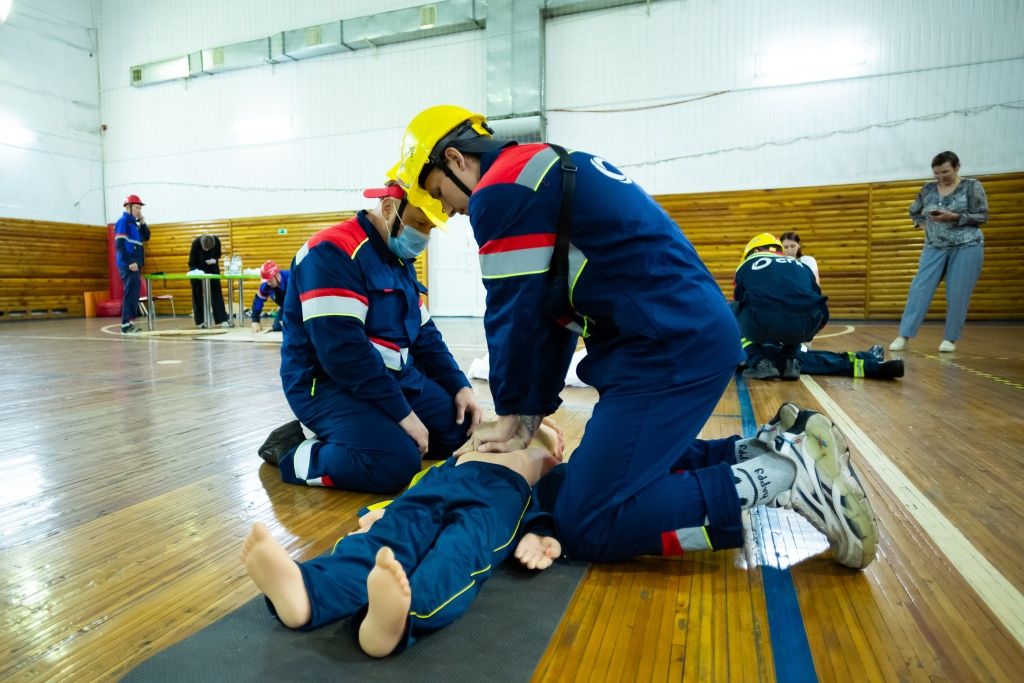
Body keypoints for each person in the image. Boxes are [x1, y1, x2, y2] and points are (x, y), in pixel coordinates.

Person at [392, 106, 876, 569]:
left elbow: (513, 315)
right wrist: (527, 414)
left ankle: (783, 477)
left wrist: (513, 413)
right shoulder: (549, 162)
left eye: (440, 192)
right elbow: (550, 310)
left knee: (587, 523)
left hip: (666, 350)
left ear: (456, 159)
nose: (449, 211)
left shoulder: (500, 191)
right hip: (679, 335)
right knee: (607, 468)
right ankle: (757, 451)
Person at [241, 420, 566, 658]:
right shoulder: (501, 431)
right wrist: (388, 508)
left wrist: (541, 532)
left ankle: (396, 621)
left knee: (458, 554)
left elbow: (543, 504)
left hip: (499, 495)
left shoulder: (546, 469)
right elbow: (419, 482)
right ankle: (306, 592)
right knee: (387, 539)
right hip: (446, 477)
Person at [261, 181, 482, 494]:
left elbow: (425, 334)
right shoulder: (331, 252)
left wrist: (459, 385)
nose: (424, 236)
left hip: (391, 379)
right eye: (420, 224)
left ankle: (366, 429)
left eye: (431, 228)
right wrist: (403, 414)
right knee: (395, 463)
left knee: (458, 430)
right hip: (326, 384)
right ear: (390, 208)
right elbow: (343, 355)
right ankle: (295, 450)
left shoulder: (398, 259)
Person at [890, 151, 988, 353]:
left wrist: (954, 216)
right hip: (935, 246)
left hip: (967, 246)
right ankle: (904, 335)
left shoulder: (972, 186)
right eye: (936, 173)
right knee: (919, 290)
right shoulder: (928, 189)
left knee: (957, 293)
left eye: (945, 171)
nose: (941, 177)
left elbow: (982, 216)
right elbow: (914, 211)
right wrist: (924, 225)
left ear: (957, 167)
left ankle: (950, 339)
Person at [734, 233, 829, 381]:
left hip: (764, 322)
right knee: (797, 307)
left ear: (755, 252)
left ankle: (760, 362)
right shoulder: (802, 265)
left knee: (731, 310)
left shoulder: (747, 264)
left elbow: (739, 300)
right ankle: (791, 361)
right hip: (808, 325)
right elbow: (816, 296)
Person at [750, 343, 904, 380]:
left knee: (816, 356)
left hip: (762, 349)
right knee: (815, 360)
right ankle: (874, 368)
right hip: (760, 355)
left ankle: (866, 358)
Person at [113, 194, 150, 334]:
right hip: (128, 264)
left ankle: (130, 322)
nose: (139, 211)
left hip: (136, 263)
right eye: (136, 208)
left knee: (134, 293)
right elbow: (120, 245)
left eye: (140, 208)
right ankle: (125, 325)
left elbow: (146, 237)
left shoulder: (134, 224)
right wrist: (129, 262)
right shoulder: (123, 222)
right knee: (130, 293)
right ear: (128, 207)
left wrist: (143, 223)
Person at [187, 233, 230, 328]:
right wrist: (196, 272)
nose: (206, 250)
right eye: (204, 248)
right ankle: (200, 321)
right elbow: (191, 262)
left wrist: (214, 260)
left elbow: (218, 254)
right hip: (197, 269)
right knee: (197, 294)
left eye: (208, 249)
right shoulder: (196, 243)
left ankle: (221, 319)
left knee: (216, 293)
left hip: (212, 268)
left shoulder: (216, 240)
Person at [251, 260, 289, 333]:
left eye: (270, 281)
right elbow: (258, 301)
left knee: (292, 326)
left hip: (299, 307)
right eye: (267, 281)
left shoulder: (290, 279)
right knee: (277, 327)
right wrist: (255, 321)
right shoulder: (266, 285)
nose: (268, 283)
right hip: (285, 307)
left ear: (277, 275)